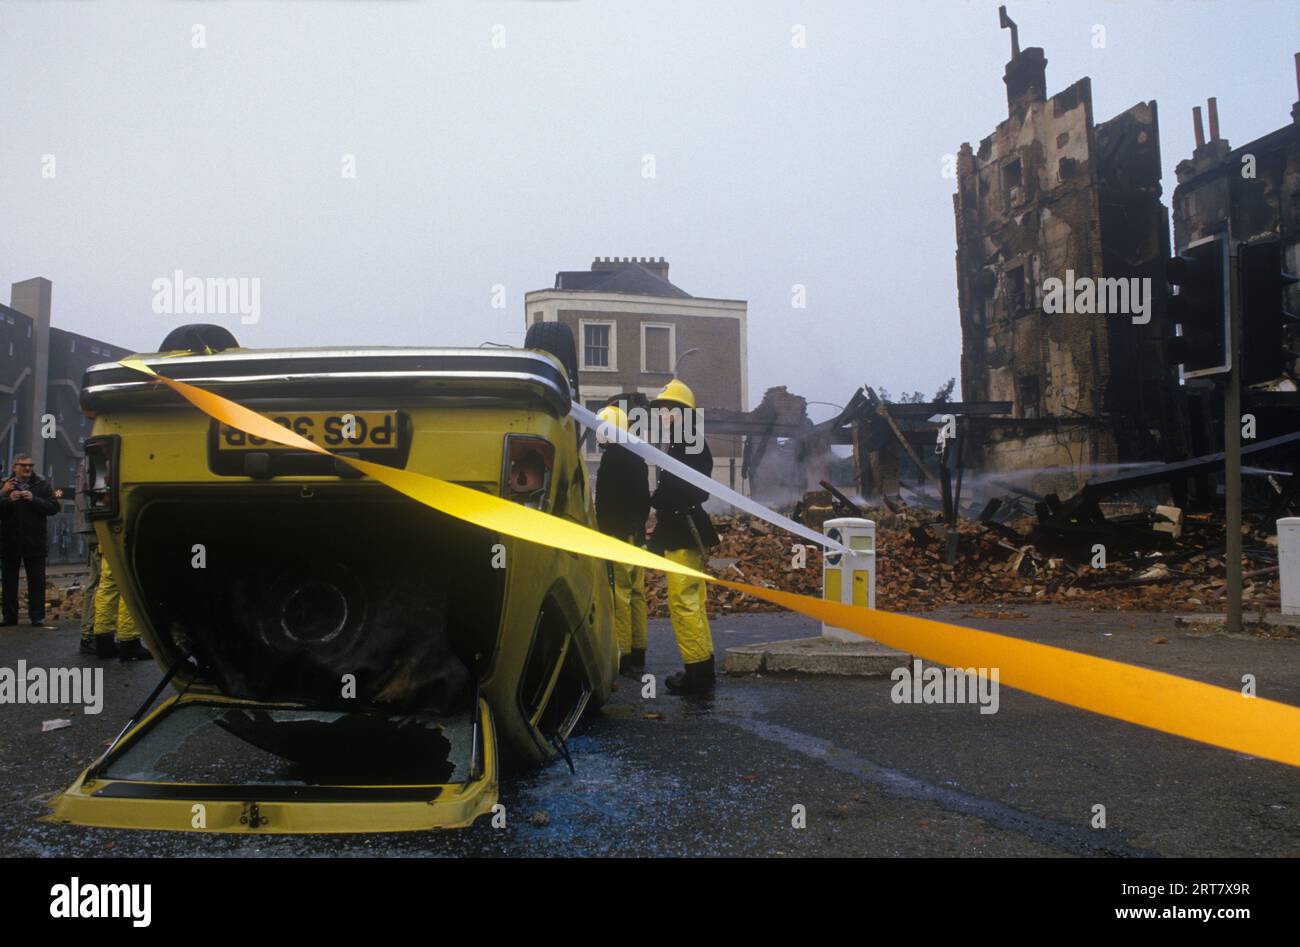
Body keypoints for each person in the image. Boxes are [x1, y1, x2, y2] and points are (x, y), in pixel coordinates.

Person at [646, 380, 719, 694]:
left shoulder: (688, 443)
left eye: (667, 409)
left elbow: (688, 487)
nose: (662, 415)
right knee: (693, 600)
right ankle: (702, 667)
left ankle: (697, 673)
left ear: (682, 412)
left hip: (682, 529)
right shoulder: (686, 441)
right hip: (684, 527)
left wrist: (659, 499)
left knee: (684, 601)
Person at [594, 404, 651, 678]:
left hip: (616, 535)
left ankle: (624, 654)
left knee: (620, 595)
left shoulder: (610, 461)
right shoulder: (638, 459)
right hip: (636, 535)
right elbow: (644, 501)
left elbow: (603, 503)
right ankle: (639, 649)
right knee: (637, 593)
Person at [0, 453, 60, 628]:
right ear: (14, 467)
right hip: (9, 541)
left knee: (37, 581)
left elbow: (54, 507)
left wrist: (34, 499)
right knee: (9, 582)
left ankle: (37, 616)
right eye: (23, 465)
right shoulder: (5, 485)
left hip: (35, 541)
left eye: (30, 466)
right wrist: (6, 497)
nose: (28, 468)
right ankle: (10, 617)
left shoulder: (41, 485)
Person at [73, 458, 103, 655]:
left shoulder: (89, 459)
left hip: (91, 526)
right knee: (101, 582)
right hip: (97, 527)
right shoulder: (96, 459)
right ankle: (91, 634)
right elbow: (94, 494)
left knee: (96, 581)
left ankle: (91, 634)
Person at [93, 556, 149, 660]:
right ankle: (129, 642)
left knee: (109, 583)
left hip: (108, 542)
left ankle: (104, 644)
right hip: (123, 541)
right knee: (129, 582)